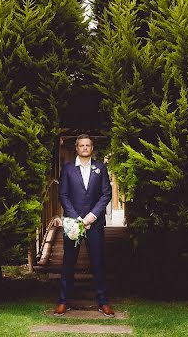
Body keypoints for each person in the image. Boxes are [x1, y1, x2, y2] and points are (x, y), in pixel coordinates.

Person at [54, 134, 115, 317]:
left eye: (88, 145)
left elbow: (106, 194)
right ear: (77, 148)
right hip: (73, 223)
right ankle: (63, 301)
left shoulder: (100, 168)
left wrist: (91, 217)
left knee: (98, 263)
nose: (85, 148)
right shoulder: (68, 169)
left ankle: (103, 302)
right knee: (68, 263)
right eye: (82, 145)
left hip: (94, 224)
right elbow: (63, 195)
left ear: (92, 147)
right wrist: (77, 218)